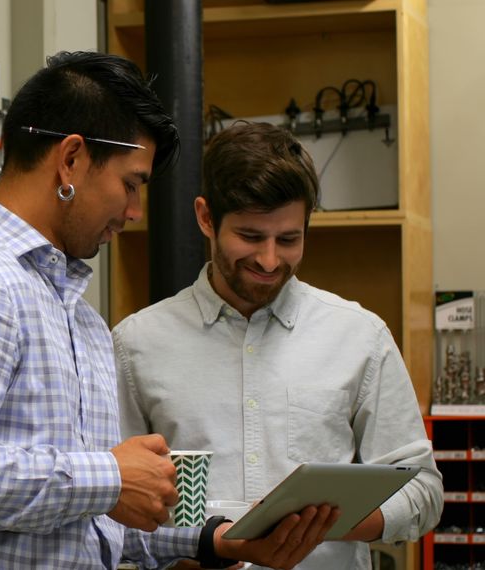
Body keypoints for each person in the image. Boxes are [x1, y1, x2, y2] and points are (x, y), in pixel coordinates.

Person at [0, 52, 337, 570]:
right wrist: (109, 477)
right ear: (71, 160)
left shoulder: (78, 317)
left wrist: (211, 542)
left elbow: (88, 526)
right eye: (131, 184)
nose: (135, 211)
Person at [113, 122, 443, 569]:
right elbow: (112, 504)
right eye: (250, 237)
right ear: (206, 217)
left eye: (289, 239)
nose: (269, 260)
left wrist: (319, 523)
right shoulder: (136, 345)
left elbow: (422, 489)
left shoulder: (360, 337)